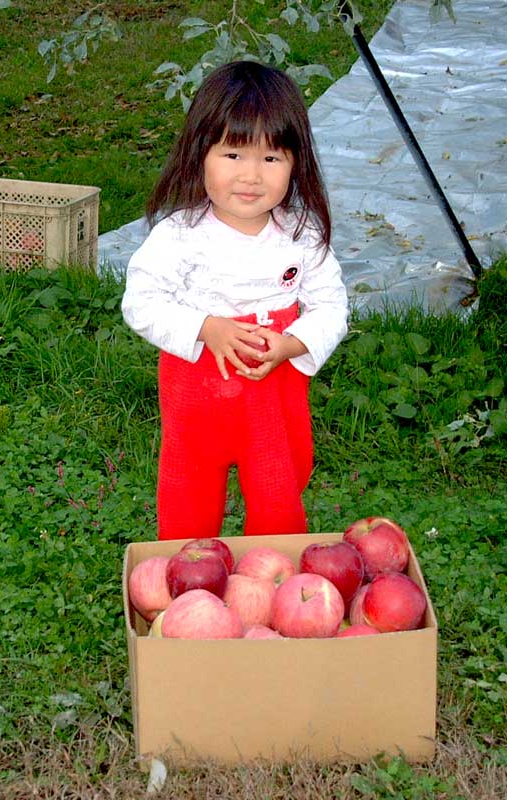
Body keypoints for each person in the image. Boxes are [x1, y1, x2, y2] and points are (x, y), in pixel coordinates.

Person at [121, 60, 348, 539]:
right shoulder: (180, 237)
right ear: (200, 153)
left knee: (278, 490)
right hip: (196, 394)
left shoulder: (301, 238)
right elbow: (141, 301)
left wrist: (292, 345)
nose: (251, 176)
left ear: (295, 163)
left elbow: (332, 306)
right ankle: (186, 574)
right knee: (189, 491)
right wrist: (207, 327)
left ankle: (276, 572)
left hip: (273, 394)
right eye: (233, 155)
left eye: (271, 159)